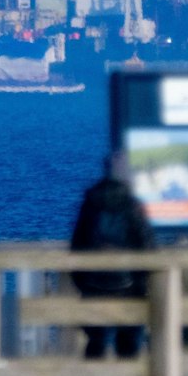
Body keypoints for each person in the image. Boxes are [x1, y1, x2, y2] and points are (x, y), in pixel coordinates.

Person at [68, 152, 156, 359]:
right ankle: (127, 375)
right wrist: (142, 282)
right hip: (129, 286)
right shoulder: (132, 206)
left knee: (95, 341)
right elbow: (147, 247)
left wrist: (83, 283)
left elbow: (77, 245)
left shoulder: (90, 204)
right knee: (128, 341)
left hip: (93, 285)